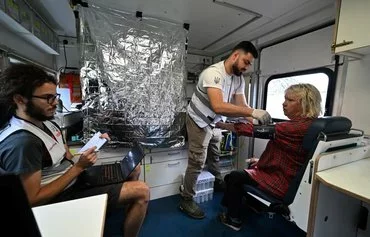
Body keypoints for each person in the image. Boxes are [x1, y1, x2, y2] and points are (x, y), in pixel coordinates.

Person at [0, 64, 149, 237]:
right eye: (48, 98)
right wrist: (79, 168)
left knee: (134, 168)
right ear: (20, 99)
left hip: (73, 178)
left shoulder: (46, 122)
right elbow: (32, 200)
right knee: (142, 191)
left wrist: (94, 144)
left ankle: (117, 215)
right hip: (60, 196)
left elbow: (68, 156)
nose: (55, 103)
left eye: (55, 96)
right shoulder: (22, 143)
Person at [179, 41, 271, 219]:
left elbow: (241, 105)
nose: (247, 67)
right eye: (246, 61)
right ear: (235, 55)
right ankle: (186, 199)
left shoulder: (238, 78)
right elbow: (219, 106)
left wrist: (257, 122)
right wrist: (252, 112)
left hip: (214, 121)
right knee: (197, 161)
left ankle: (216, 180)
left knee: (215, 152)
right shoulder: (213, 73)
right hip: (198, 120)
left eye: (250, 64)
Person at [215, 83, 322, 231]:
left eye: (290, 100)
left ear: (305, 104)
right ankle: (254, 206)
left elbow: (250, 129)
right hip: (290, 174)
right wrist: (260, 162)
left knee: (233, 177)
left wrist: (221, 124)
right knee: (252, 166)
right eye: (285, 99)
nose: (284, 104)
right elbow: (292, 154)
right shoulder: (311, 124)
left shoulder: (293, 128)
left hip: (282, 182)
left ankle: (233, 219)